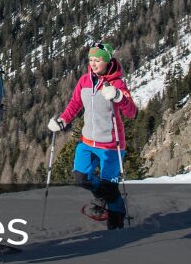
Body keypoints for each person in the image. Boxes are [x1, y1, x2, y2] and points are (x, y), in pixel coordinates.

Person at [48, 41, 137, 229]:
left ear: (107, 61)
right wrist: (62, 121)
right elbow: (75, 104)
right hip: (87, 141)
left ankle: (117, 221)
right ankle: (101, 196)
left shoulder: (117, 84)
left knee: (110, 187)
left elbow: (132, 112)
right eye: (91, 59)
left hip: (111, 146)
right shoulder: (84, 81)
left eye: (98, 60)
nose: (93, 63)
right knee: (81, 177)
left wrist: (118, 96)